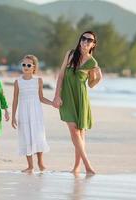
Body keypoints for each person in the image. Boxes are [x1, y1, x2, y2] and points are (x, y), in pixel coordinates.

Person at [53, 31, 102, 175]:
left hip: (81, 98)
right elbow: (61, 76)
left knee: (80, 133)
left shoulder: (92, 62)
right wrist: (57, 96)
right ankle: (87, 165)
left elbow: (91, 84)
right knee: (74, 130)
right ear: (80, 40)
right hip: (67, 97)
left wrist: (99, 78)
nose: (86, 41)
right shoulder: (70, 54)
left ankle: (76, 167)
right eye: (83, 38)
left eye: (89, 40)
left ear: (93, 44)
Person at [11, 55, 51, 173]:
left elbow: (42, 98)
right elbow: (15, 99)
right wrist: (13, 116)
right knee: (25, 135)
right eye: (24, 65)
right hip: (23, 112)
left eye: (29, 65)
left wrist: (52, 103)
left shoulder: (38, 80)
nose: (26, 67)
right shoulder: (17, 82)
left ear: (34, 67)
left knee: (38, 135)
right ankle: (30, 166)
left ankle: (40, 162)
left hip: (36, 112)